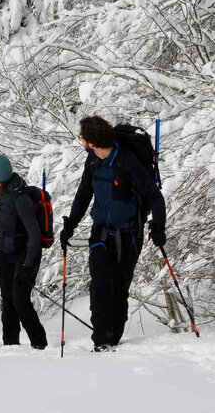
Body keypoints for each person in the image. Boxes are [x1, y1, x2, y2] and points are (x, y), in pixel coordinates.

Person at [60, 116, 161, 352]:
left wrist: (159, 226)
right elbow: (84, 193)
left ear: (92, 142)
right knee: (100, 285)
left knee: (119, 288)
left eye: (83, 138)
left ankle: (114, 336)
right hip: (100, 233)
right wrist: (71, 224)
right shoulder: (92, 161)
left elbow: (155, 196)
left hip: (129, 233)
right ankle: (101, 340)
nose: (82, 142)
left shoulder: (127, 162)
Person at [0, 154, 49, 350]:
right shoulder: (3, 192)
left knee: (20, 300)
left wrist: (28, 266)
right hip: (5, 254)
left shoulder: (21, 198)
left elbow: (34, 234)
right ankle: (10, 345)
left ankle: (40, 344)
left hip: (24, 255)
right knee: (8, 301)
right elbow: (3, 221)